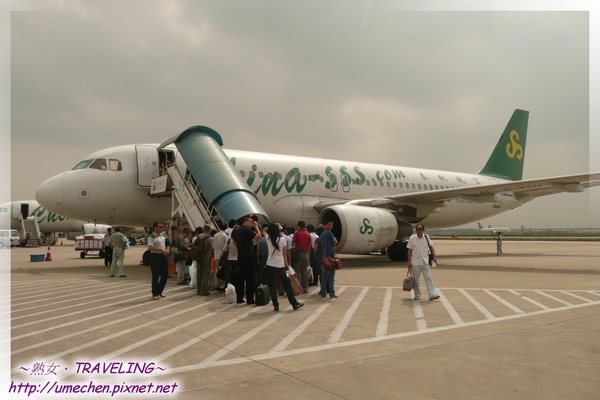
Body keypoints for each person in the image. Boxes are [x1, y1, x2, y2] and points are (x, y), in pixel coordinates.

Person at [265, 223, 304, 312]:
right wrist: (286, 264)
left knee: (272, 287)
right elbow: (284, 253)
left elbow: (264, 230)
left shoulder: (268, 238)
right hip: (279, 265)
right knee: (287, 286)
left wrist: (273, 225)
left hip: (270, 264)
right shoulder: (282, 239)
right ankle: (294, 303)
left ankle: (276, 305)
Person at [232, 216, 261, 305]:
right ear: (245, 222)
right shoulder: (247, 230)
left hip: (240, 255)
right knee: (250, 278)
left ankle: (239, 298)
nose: (251, 223)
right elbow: (259, 236)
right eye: (250, 222)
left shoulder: (238, 231)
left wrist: (240, 247)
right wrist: (256, 227)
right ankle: (250, 298)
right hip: (248, 255)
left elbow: (234, 241)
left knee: (240, 278)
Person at [407, 223, 439, 301]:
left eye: (420, 230)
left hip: (425, 261)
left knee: (428, 278)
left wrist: (434, 256)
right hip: (416, 262)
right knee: (416, 279)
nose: (418, 231)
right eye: (417, 229)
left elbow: (431, 247)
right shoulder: (412, 238)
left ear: (423, 230)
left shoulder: (426, 237)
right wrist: (409, 261)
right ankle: (417, 295)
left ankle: (432, 294)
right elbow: (409, 250)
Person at [147, 222, 170, 300]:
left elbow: (167, 243)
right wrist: (160, 249)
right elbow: (150, 247)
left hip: (163, 257)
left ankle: (159, 291)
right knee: (155, 276)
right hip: (155, 257)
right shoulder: (151, 237)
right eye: (160, 227)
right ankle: (155, 293)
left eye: (162, 227)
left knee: (165, 275)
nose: (162, 228)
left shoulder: (162, 236)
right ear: (155, 228)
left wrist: (167, 249)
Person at [319, 220, 339, 299]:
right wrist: (332, 244)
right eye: (329, 225)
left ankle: (323, 293)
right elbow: (336, 241)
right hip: (330, 256)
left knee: (324, 276)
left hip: (323, 257)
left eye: (332, 225)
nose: (331, 227)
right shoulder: (329, 233)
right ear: (325, 225)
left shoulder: (322, 234)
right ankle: (331, 293)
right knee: (331, 276)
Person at [193, 224, 214, 296]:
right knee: (206, 274)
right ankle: (204, 290)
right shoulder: (209, 238)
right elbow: (212, 248)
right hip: (206, 257)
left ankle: (198, 290)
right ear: (209, 230)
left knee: (199, 273)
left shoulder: (198, 237)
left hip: (198, 257)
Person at [292, 220, 312, 293]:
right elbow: (309, 246)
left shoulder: (296, 234)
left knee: (297, 271)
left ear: (299, 226)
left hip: (298, 253)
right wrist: (308, 255)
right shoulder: (308, 234)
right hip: (306, 253)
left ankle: (299, 287)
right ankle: (305, 287)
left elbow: (293, 243)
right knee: (304, 271)